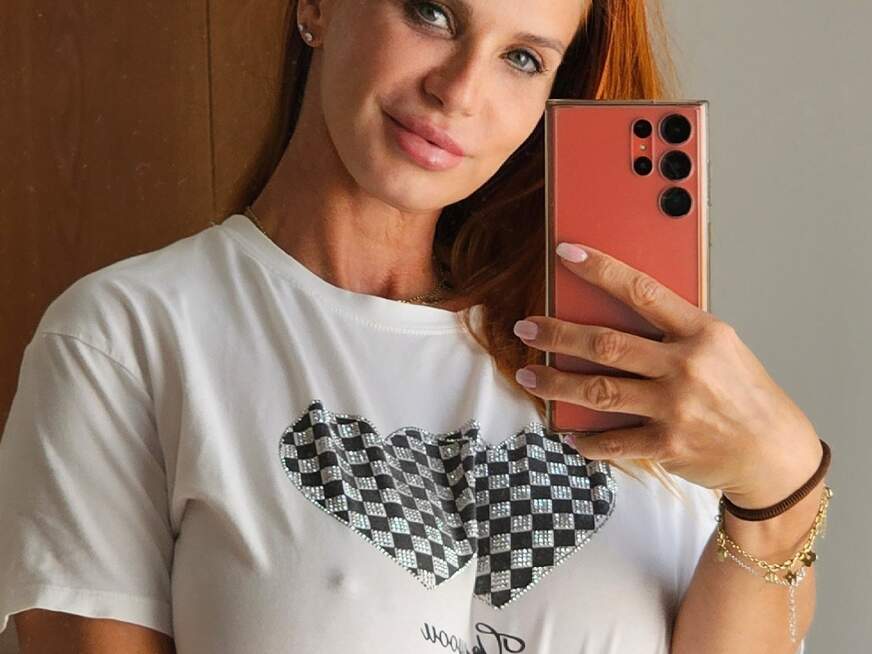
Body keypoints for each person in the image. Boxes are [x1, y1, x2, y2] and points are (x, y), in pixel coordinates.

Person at [0, 1, 824, 652]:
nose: (459, 92)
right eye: (432, 12)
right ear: (318, 6)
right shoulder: (126, 340)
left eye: (522, 59)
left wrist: (780, 490)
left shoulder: (621, 374)